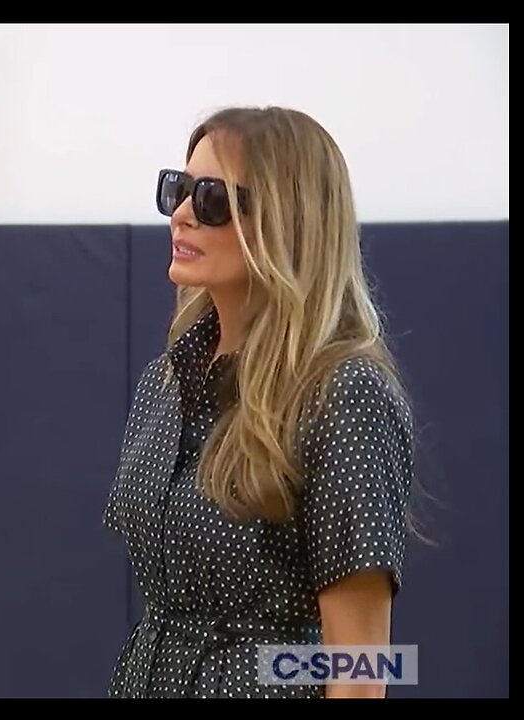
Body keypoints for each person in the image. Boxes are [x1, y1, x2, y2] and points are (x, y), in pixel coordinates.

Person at [102, 106, 416, 699]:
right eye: (179, 189)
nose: (184, 213)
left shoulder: (342, 395)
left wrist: (258, 671)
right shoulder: (165, 382)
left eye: (214, 198)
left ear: (284, 221)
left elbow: (363, 668)